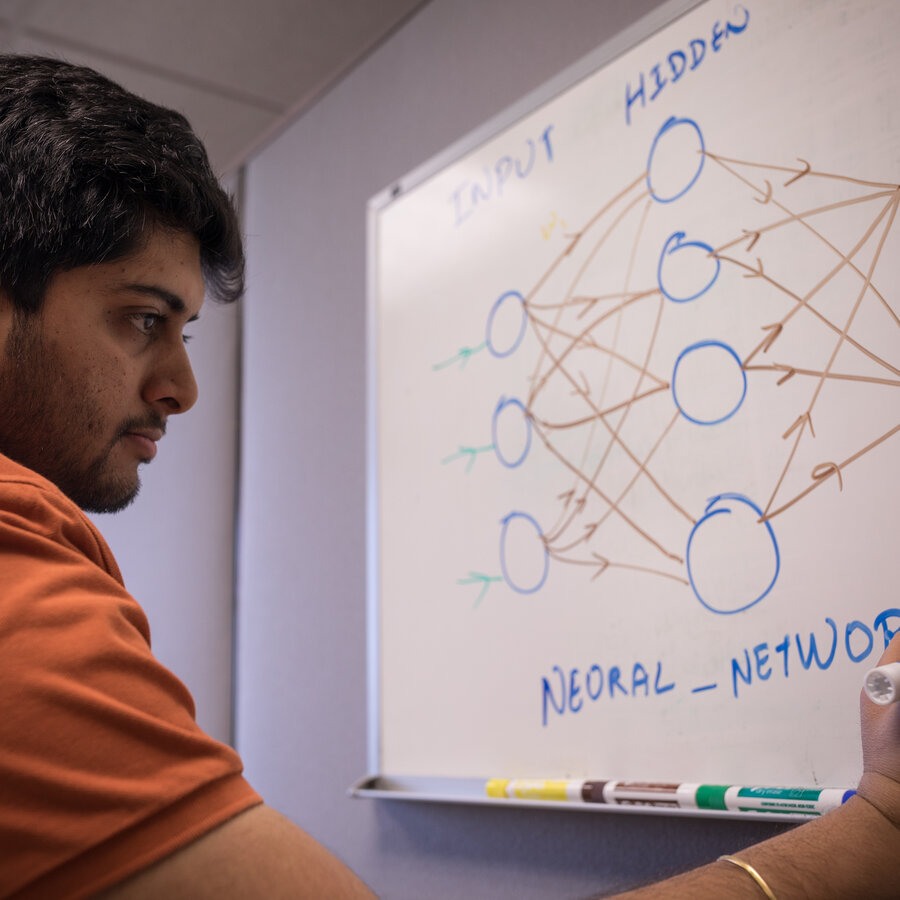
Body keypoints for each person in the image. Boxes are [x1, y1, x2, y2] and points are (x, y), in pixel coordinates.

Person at [0, 53, 897, 900]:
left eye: (184, 332)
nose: (184, 389)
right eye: (142, 319)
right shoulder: (20, 592)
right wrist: (882, 829)